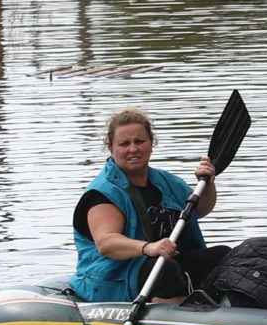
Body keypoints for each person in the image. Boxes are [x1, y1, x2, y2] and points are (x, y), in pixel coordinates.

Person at [71, 108, 224, 303]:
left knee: (221, 256)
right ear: (111, 148)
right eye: (124, 144)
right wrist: (148, 248)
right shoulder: (103, 193)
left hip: (165, 262)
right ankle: (173, 324)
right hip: (114, 276)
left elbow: (200, 210)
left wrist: (208, 184)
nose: (133, 149)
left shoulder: (168, 182)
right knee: (164, 270)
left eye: (139, 141)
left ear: (151, 144)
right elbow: (106, 243)